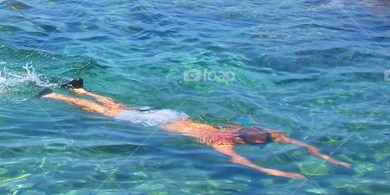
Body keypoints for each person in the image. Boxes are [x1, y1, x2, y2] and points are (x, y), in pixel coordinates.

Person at [36, 79, 351, 180]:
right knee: (107, 113)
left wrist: (330, 158)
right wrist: (286, 175)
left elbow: (299, 142)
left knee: (122, 105)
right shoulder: (217, 141)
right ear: (254, 141)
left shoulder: (242, 130)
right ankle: (56, 95)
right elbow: (246, 164)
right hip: (159, 122)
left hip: (172, 113)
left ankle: (79, 88)